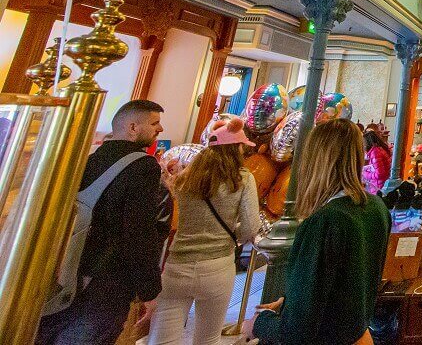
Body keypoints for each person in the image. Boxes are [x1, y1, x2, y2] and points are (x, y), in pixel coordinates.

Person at [36, 100, 171, 345]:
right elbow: (138, 231)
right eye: (154, 123)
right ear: (132, 127)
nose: (160, 129)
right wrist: (150, 289)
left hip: (65, 270)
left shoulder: (88, 159)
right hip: (106, 280)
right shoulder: (143, 166)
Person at [247, 118, 390, 345]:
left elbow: (298, 330)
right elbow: (349, 285)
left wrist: (258, 323)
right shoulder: (377, 208)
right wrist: (290, 302)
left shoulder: (326, 221)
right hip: (360, 335)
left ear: (315, 160)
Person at [149, 117, 258, 345]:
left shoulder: (185, 178)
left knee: (162, 338)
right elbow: (250, 226)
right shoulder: (242, 179)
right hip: (217, 264)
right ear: (236, 148)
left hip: (177, 264)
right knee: (208, 339)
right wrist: (230, 235)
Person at [361, 129, 392, 194]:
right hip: (382, 183)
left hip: (378, 186)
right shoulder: (380, 149)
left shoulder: (375, 153)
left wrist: (365, 174)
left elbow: (379, 174)